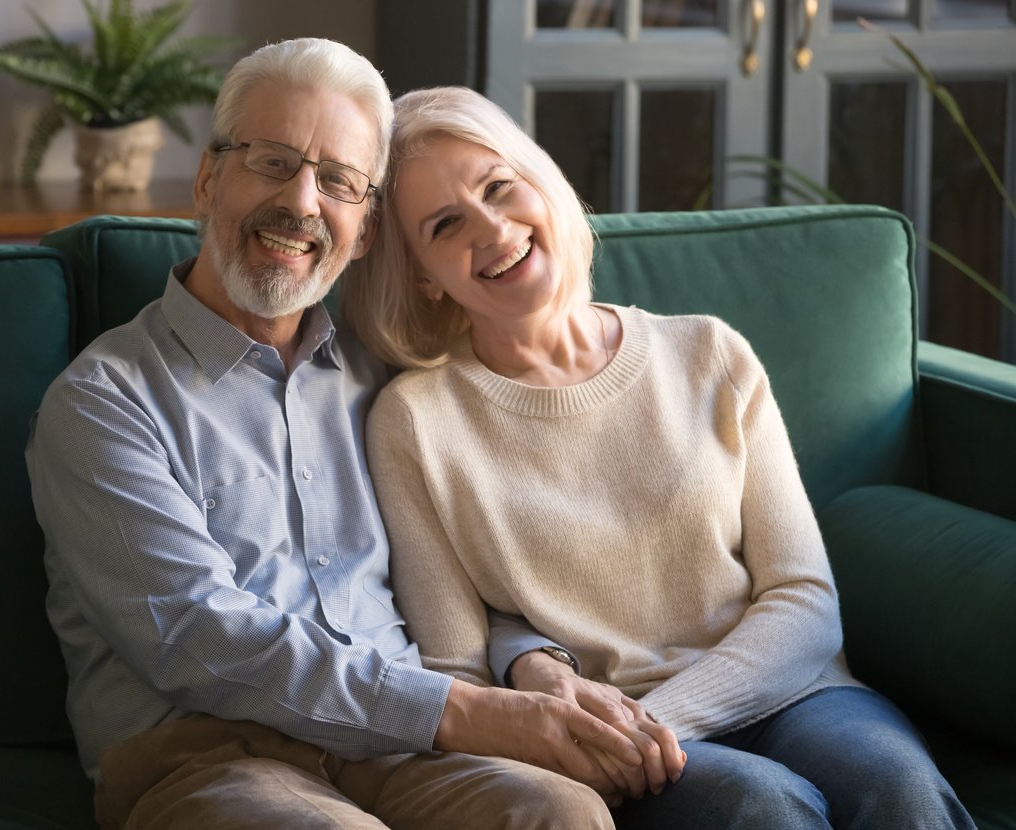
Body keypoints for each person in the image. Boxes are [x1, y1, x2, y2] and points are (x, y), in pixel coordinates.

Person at [25, 39, 661, 830]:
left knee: (558, 813)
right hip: (210, 760)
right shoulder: (103, 402)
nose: (301, 202)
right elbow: (196, 638)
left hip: (404, 752)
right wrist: (466, 713)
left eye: (338, 182)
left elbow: (472, 565)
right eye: (271, 160)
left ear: (362, 231)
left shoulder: (392, 378)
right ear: (206, 179)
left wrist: (526, 662)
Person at [343, 85, 976, 830]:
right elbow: (457, 663)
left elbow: (803, 599)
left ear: (540, 182)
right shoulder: (414, 422)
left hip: (787, 691)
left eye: (498, 187)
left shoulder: (708, 352)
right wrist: (569, 703)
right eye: (446, 223)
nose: (492, 228)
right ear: (421, 273)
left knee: (896, 786)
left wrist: (657, 725)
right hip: (599, 731)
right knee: (760, 806)